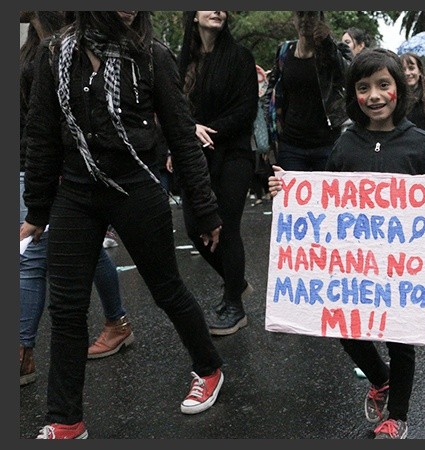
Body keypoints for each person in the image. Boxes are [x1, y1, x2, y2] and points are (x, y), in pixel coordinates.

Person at [22, 11, 226, 439]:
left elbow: (181, 134)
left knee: (166, 289)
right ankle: (66, 419)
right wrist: (37, 211)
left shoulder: (150, 55)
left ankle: (208, 368)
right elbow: (41, 133)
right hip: (76, 192)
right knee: (67, 307)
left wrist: (205, 209)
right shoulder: (54, 54)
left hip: (137, 186)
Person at [267, 48, 425, 439]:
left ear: (399, 87)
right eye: (364, 88)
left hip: (403, 268)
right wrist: (288, 190)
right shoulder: (346, 145)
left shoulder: (422, 145)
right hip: (354, 265)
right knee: (345, 326)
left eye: (384, 84)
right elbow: (324, 197)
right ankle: (379, 378)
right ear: (354, 95)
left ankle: (397, 415)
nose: (375, 95)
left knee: (401, 338)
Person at [19, 11, 134, 389]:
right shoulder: (35, 47)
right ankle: (117, 321)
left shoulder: (65, 50)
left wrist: (48, 180)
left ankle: (22, 354)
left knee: (33, 256)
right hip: (31, 164)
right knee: (80, 248)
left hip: (51, 168)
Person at [178, 11, 258, 335]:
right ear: (193, 16)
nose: (218, 10)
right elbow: (172, 107)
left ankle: (234, 307)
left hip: (233, 154)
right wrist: (187, 131)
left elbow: (246, 109)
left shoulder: (240, 57)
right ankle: (236, 281)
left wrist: (205, 131)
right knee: (194, 228)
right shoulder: (183, 59)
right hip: (194, 156)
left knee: (225, 227)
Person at [268, 11, 352, 171]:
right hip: (291, 145)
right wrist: (269, 134)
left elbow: (350, 78)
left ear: (321, 20)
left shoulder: (336, 49)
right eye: (300, 15)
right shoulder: (284, 51)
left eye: (311, 15)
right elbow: (272, 91)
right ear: (293, 19)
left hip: (327, 144)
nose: (305, 20)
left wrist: (328, 43)